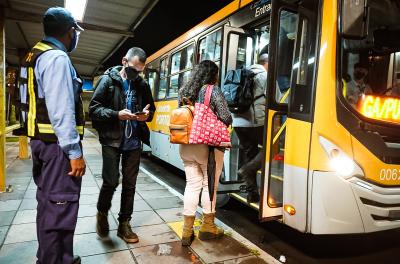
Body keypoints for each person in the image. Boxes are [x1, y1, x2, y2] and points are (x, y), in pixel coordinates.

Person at [27, 7, 85, 264]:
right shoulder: (57, 58)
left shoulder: (35, 54)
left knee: (49, 204)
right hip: (58, 148)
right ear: (70, 31)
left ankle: (58, 257)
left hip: (42, 143)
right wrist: (74, 152)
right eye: (76, 32)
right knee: (60, 207)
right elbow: (61, 110)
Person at [88, 47, 156, 243]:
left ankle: (124, 224)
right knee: (111, 180)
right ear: (124, 61)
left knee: (130, 184)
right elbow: (94, 109)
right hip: (112, 139)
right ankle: (102, 212)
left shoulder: (142, 85)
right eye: (134, 69)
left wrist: (146, 115)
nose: (137, 74)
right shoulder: (108, 80)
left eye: (141, 70)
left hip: (133, 141)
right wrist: (117, 114)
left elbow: (151, 108)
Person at [178, 60, 232, 246]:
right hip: (206, 145)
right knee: (209, 186)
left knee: (192, 185)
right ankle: (207, 227)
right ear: (213, 75)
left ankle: (186, 233)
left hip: (185, 144)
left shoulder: (185, 91)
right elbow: (226, 116)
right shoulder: (211, 90)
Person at [233, 53, 268, 203]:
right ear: (267, 62)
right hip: (255, 122)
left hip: (238, 122)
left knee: (250, 153)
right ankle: (248, 169)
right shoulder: (265, 76)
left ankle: (252, 193)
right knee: (273, 148)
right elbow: (277, 98)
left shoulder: (241, 74)